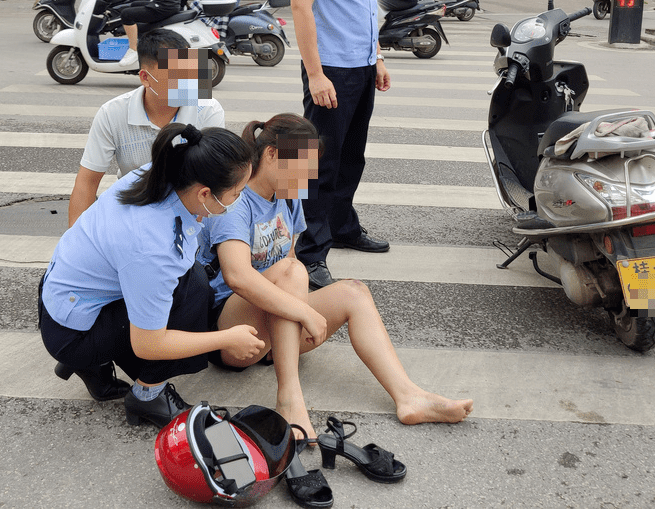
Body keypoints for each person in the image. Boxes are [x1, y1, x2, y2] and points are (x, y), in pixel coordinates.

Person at [198, 114, 474, 438]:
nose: (305, 179)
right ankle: (289, 399)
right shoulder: (235, 200)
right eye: (300, 167)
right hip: (231, 332)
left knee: (354, 291)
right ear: (271, 154)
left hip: (274, 332)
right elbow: (237, 277)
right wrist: (303, 312)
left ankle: (409, 397)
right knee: (293, 270)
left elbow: (287, 257)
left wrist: (294, 316)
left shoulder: (288, 197)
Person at [39, 123, 263, 429]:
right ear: (205, 193)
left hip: (66, 297)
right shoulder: (152, 248)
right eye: (237, 193)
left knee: (191, 279)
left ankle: (94, 364)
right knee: (194, 293)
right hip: (73, 331)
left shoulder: (161, 173)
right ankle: (147, 396)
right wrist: (225, 338)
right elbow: (149, 345)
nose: (239, 201)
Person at [288, 0, 391, 291]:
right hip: (329, 71)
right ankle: (310, 254)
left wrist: (379, 56)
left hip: (363, 67)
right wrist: (314, 75)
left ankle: (344, 227)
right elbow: (301, 9)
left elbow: (364, 4)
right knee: (318, 166)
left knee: (352, 159)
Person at [68, 29, 226, 227]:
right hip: (136, 209)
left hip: (191, 212)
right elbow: (87, 182)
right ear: (145, 77)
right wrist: (74, 242)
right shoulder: (112, 113)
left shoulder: (207, 109)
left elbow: (211, 179)